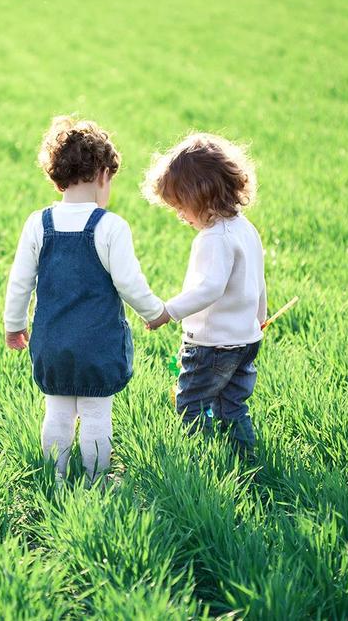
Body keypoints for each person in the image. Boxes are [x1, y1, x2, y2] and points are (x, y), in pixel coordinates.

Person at [4, 116, 165, 484]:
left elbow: (20, 282)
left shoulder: (38, 223)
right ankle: (96, 480)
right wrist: (154, 312)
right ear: (102, 175)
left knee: (57, 413)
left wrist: (14, 325)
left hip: (53, 341)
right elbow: (130, 283)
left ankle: (54, 477)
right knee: (96, 414)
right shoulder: (110, 226)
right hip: (98, 345)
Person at [142, 133, 265, 458]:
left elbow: (210, 288)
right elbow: (258, 279)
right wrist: (259, 318)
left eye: (182, 207)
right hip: (246, 340)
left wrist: (168, 311)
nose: (181, 216)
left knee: (190, 403)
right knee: (232, 404)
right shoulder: (245, 228)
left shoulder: (214, 238)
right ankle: (245, 459)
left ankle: (198, 459)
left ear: (201, 196)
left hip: (213, 345)